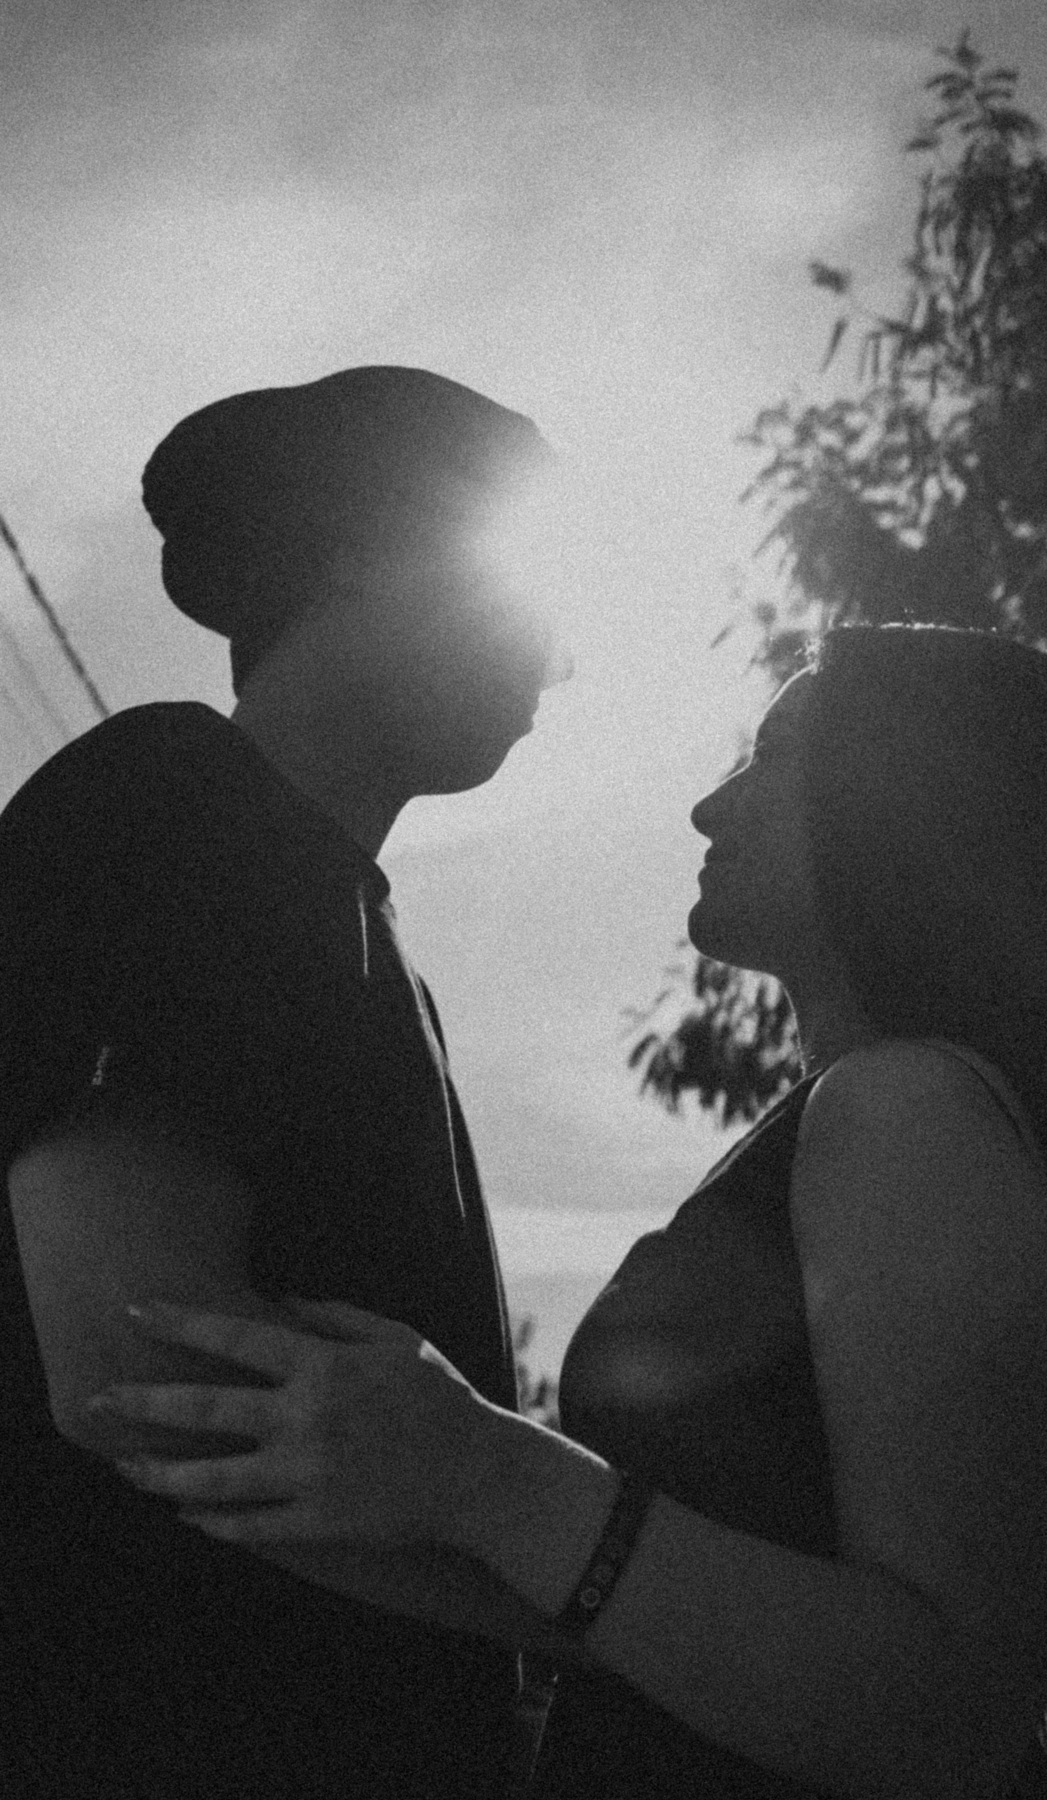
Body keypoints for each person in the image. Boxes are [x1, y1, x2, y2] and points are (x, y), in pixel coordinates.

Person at [93, 626, 1047, 1799]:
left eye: (773, 754)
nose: (710, 807)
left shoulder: (906, 1107)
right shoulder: (868, 1119)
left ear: (913, 800)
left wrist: (487, 1473)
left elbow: (951, 1708)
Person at [0, 365, 569, 1799]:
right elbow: (136, 1369)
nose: (556, 658)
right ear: (368, 551)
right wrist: (612, 1609)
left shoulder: (359, 932)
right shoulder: (177, 799)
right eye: (524, 584)